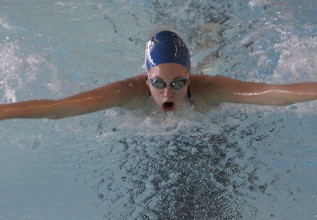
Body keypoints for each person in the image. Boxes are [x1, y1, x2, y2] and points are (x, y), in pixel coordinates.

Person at [1, 30, 317, 120]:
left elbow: (276, 94)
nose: (168, 94)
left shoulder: (209, 89)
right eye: (159, 84)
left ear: (190, 79)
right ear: (146, 79)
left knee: (213, 55)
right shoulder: (126, 91)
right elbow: (60, 108)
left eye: (179, 83)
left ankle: (210, 33)